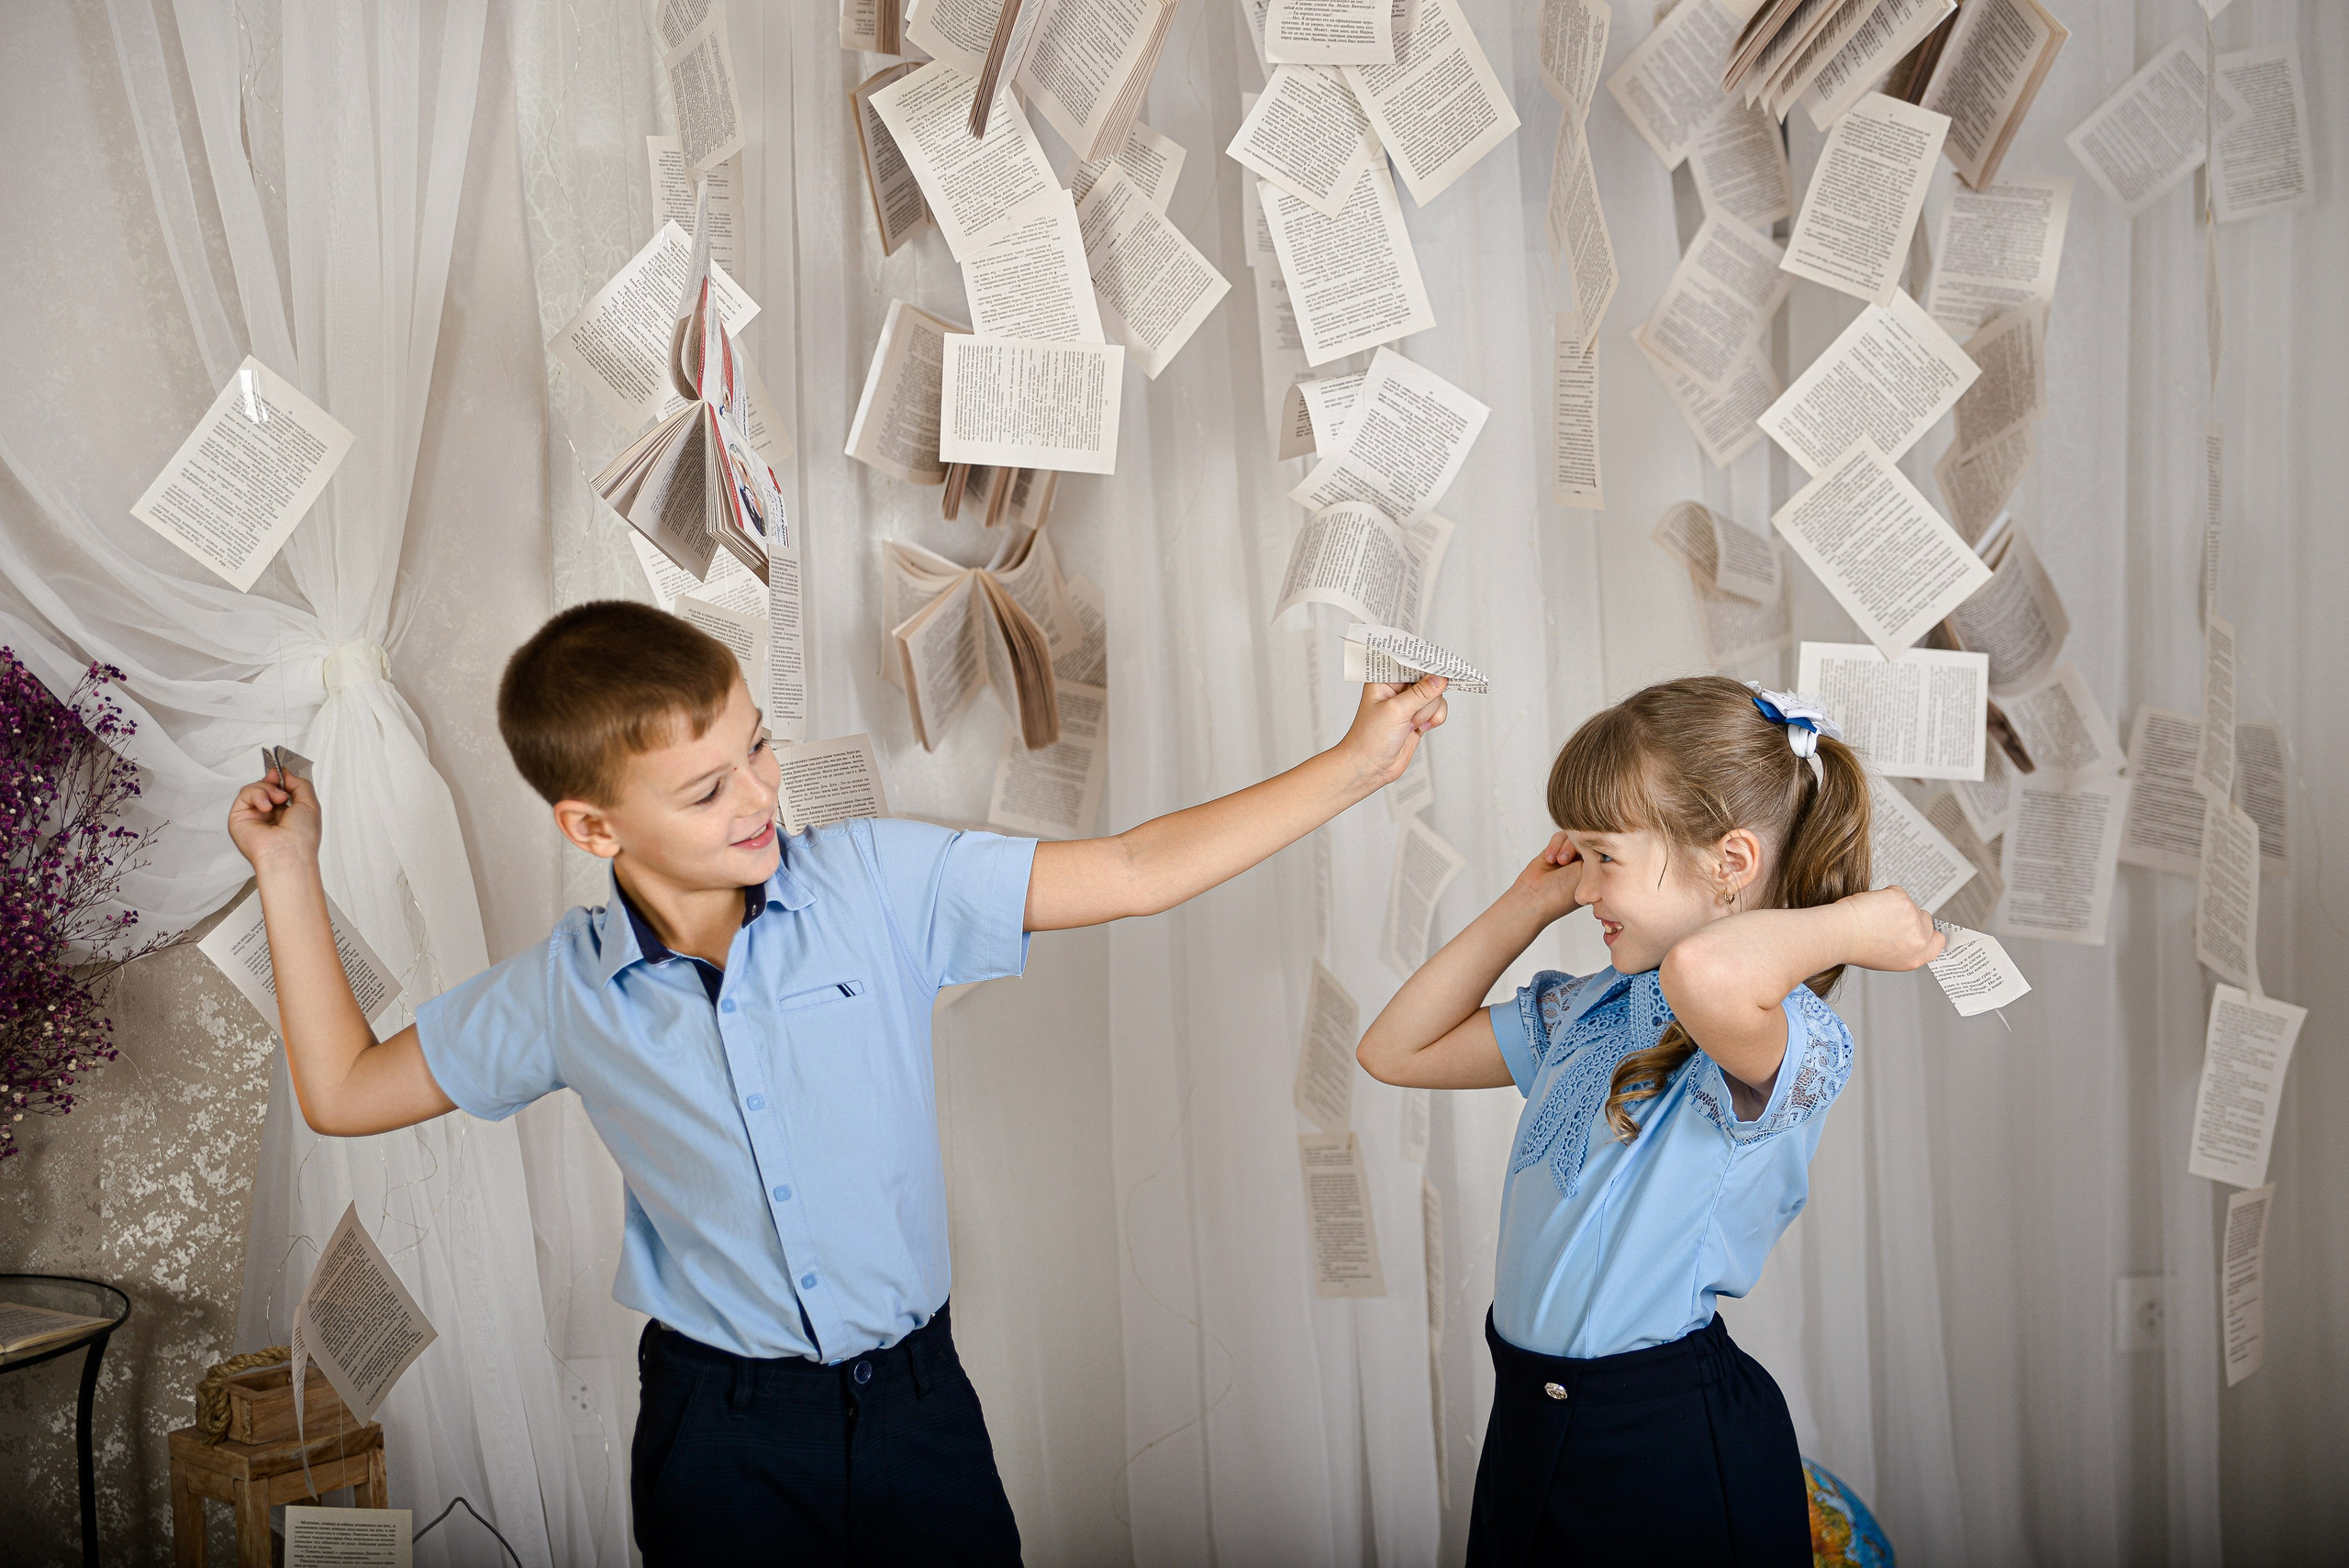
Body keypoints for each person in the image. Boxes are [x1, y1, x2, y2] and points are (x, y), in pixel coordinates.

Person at [226, 600, 1449, 1566]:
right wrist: (289, 869)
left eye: (755, 744)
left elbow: (1132, 869)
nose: (761, 793)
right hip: (721, 1430)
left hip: (919, 1405)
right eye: (706, 789)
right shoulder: (565, 990)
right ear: (593, 829)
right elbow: (345, 1088)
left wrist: (1354, 765)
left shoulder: (877, 882)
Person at [1356, 675, 1943, 1565]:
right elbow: (1394, 1050)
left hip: (1662, 1440)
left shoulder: (1784, 1031)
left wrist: (1854, 924)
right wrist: (1528, 900)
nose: (1585, 886)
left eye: (1604, 856)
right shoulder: (1591, 1005)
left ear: (1730, 860)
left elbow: (1704, 972)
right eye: (1579, 855)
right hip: (1530, 1419)